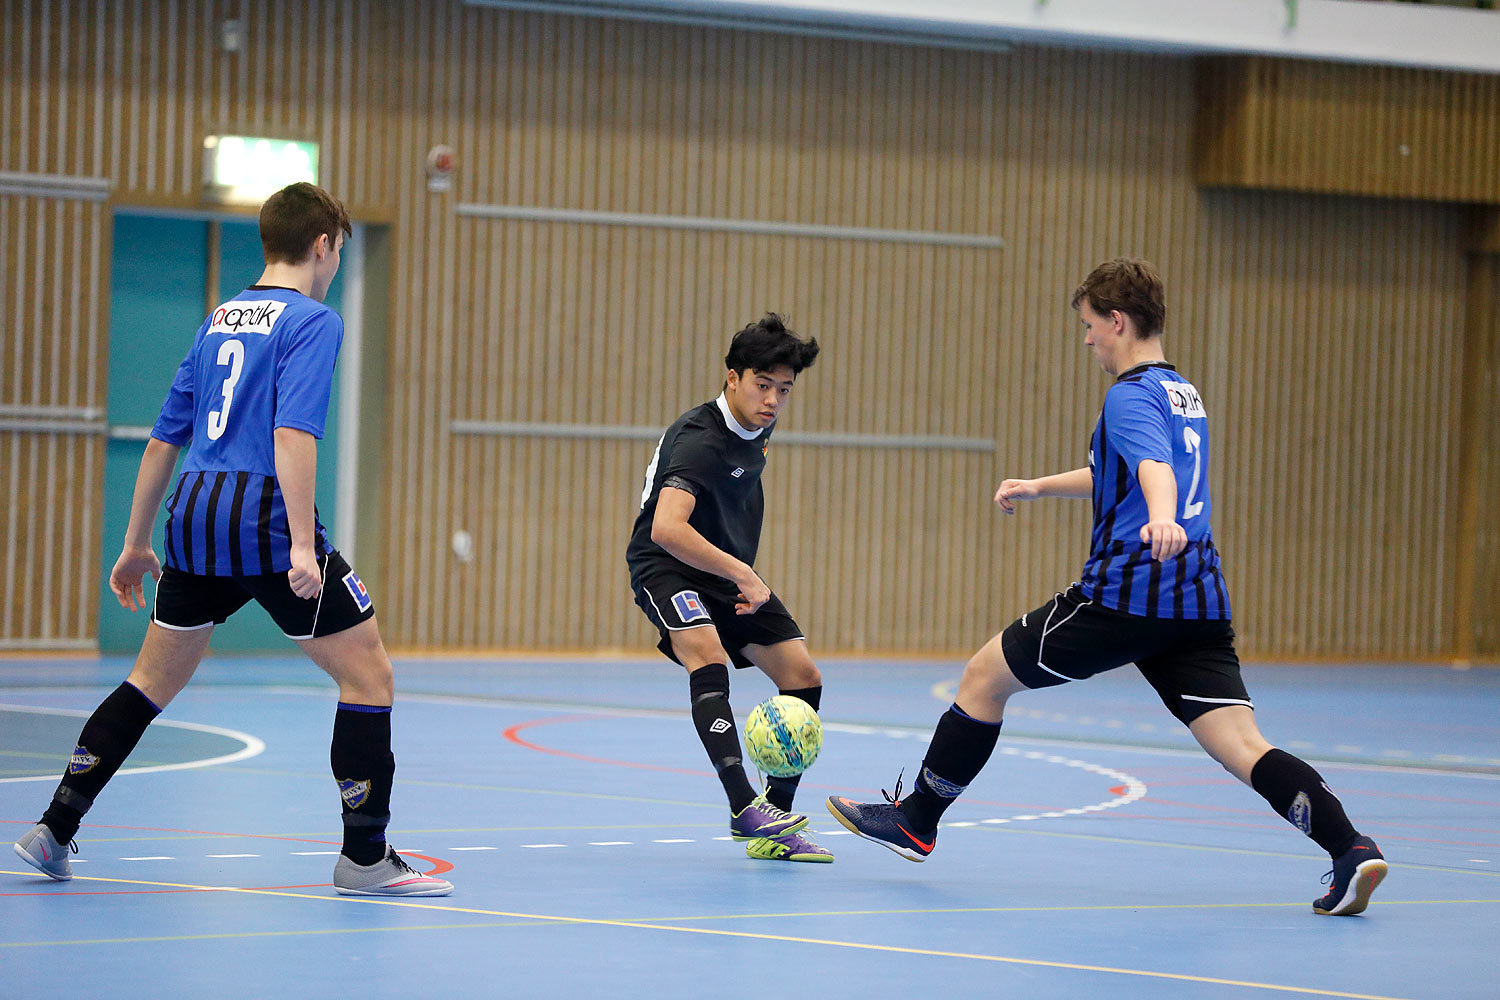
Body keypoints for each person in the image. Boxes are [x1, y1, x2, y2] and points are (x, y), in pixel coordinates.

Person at [828, 258, 1387, 916]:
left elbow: (1153, 471)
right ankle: (1349, 848)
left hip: (1128, 593)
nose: (1087, 339)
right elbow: (1122, 468)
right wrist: (1040, 485)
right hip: (1196, 598)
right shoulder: (1181, 391)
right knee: (1241, 744)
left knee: (983, 677)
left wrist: (1159, 517)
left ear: (1117, 322)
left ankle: (917, 819)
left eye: (1091, 326)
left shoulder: (1127, 394)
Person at [12, 182, 451, 897]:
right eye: (338, 249)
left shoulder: (220, 317)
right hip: (265, 525)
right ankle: (364, 858)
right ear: (324, 245)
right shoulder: (314, 320)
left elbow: (163, 440)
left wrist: (134, 542)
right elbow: (293, 432)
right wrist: (303, 548)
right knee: (368, 674)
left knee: (149, 681)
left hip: (192, 522)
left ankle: (54, 828)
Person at [626, 314, 831, 862]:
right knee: (707, 655)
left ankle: (774, 818)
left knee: (803, 678)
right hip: (666, 564)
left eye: (784, 390)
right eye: (762, 385)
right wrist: (744, 573)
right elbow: (667, 529)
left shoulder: (759, 427)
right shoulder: (700, 440)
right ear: (731, 378)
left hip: (724, 569)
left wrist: (737, 569)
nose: (773, 401)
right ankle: (744, 805)